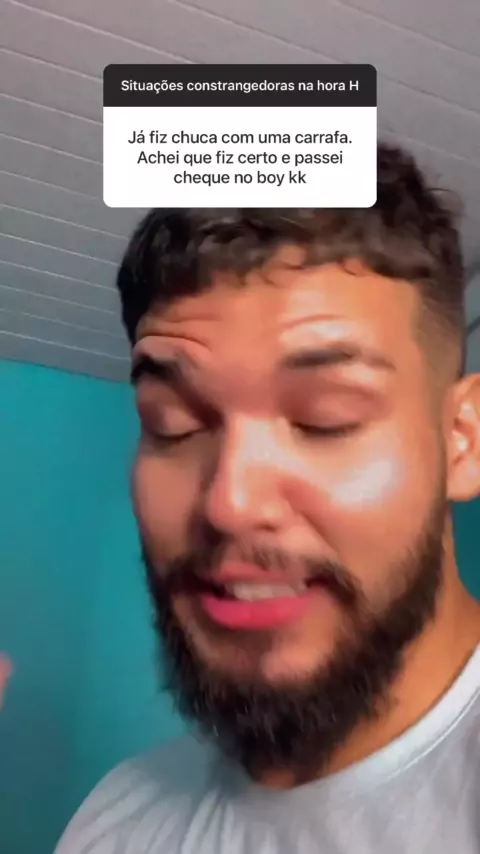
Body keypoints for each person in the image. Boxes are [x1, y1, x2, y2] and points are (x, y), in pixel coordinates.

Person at [55, 143, 480, 853]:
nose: (230, 504)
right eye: (173, 424)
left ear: (462, 441)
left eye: (324, 418)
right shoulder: (114, 817)